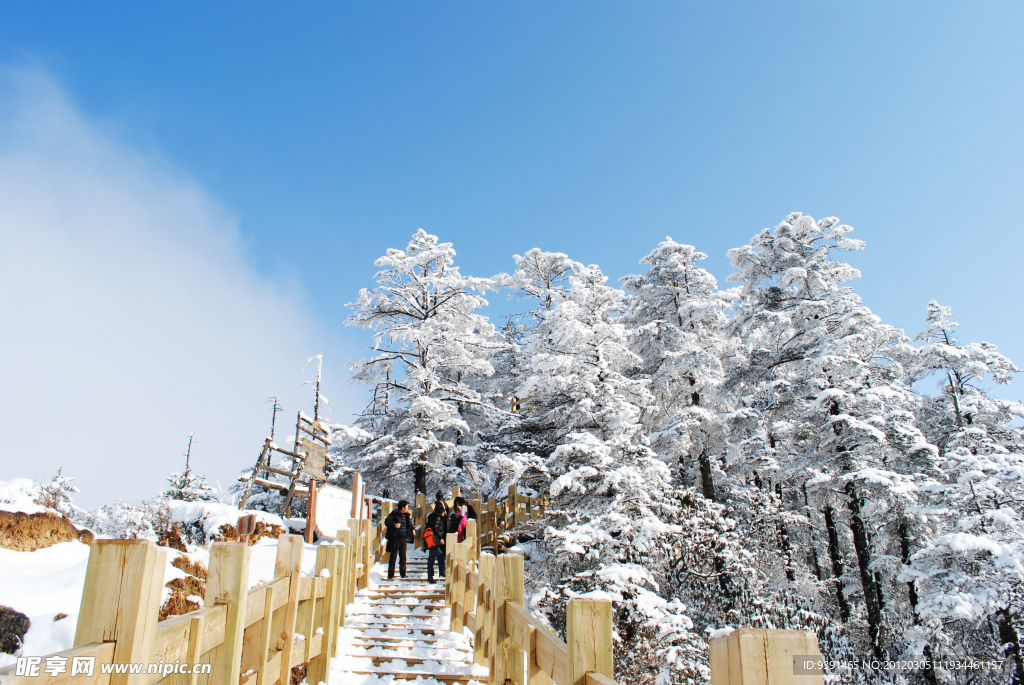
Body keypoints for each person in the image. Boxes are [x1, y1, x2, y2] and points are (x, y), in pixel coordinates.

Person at [384, 500, 415, 580]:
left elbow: (410, 524)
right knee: (393, 555)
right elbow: (387, 521)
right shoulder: (394, 514)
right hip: (395, 537)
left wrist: (413, 529)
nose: (408, 508)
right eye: (407, 506)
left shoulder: (407, 515)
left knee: (403, 556)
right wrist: (394, 524)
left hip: (404, 537)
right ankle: (390, 574)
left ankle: (403, 573)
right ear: (403, 507)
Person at [424, 510, 446, 584]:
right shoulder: (437, 517)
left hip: (431, 539)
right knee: (432, 558)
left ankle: (442, 572)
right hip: (434, 540)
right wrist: (440, 538)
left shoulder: (432, 517)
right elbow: (435, 528)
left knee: (440, 555)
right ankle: (430, 577)